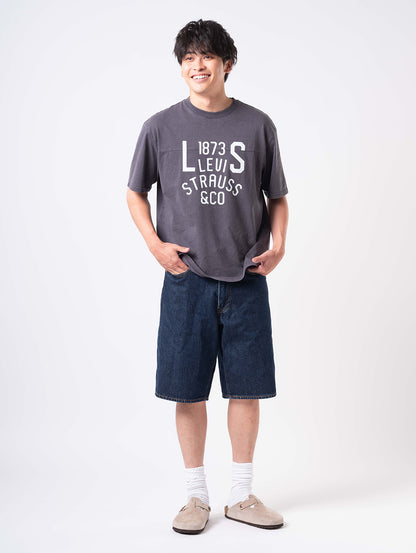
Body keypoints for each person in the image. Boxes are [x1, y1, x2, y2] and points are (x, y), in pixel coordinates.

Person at [126, 19, 289, 534]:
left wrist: (279, 245)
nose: (197, 66)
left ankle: (241, 495)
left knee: (247, 389)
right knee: (187, 391)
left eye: (207, 56)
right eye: (188, 58)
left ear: (227, 64)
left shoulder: (257, 125)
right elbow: (135, 192)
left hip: (245, 276)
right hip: (187, 278)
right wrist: (155, 245)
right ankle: (195, 498)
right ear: (181, 67)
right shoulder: (160, 127)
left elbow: (277, 196)